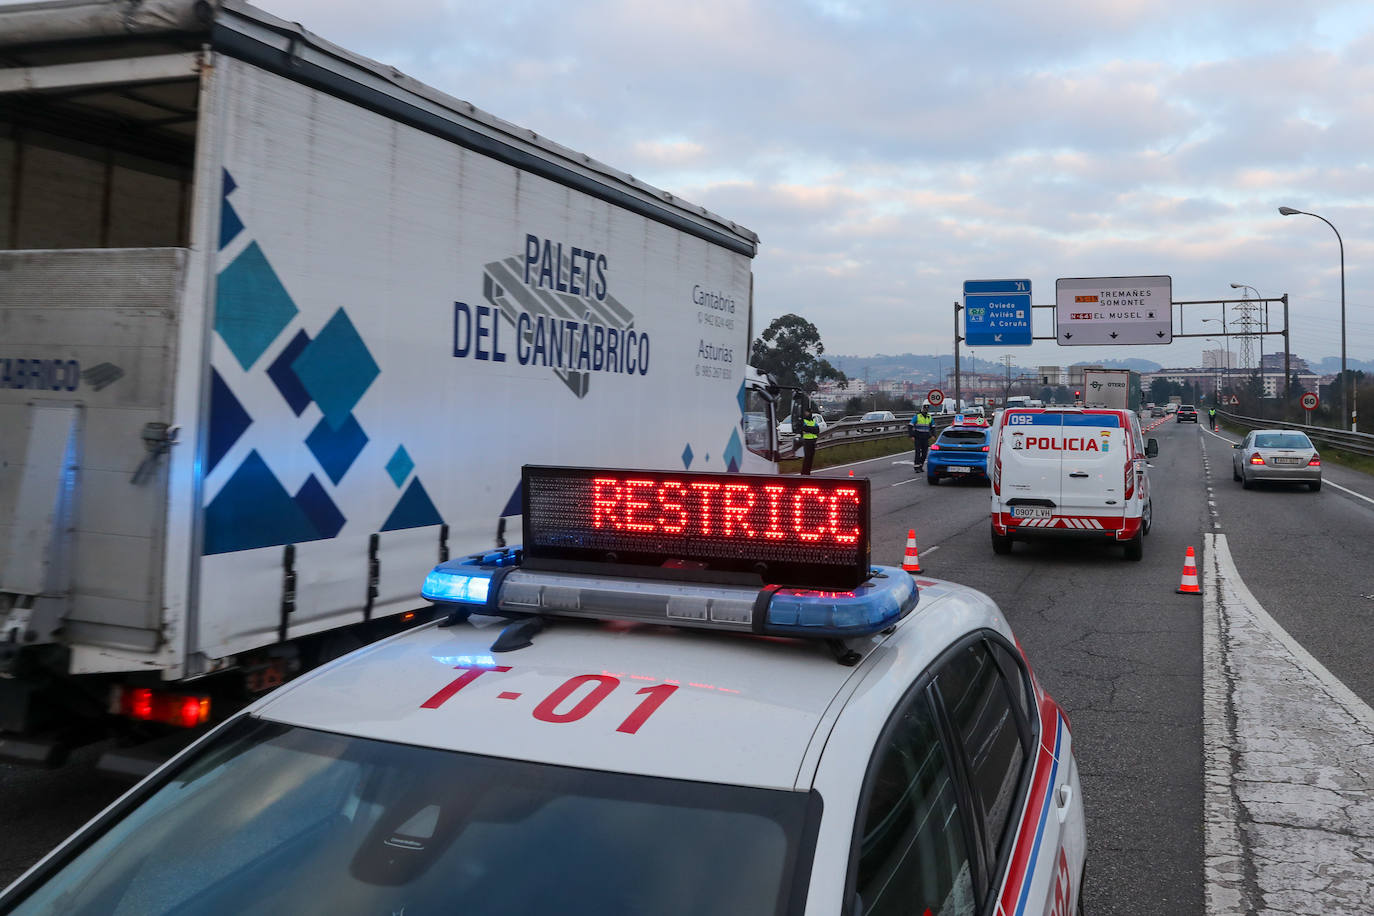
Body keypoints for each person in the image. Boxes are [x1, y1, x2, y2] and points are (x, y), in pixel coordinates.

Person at [798, 401, 820, 475]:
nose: (808, 414)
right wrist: (812, 429)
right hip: (807, 441)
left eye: (809, 412)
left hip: (813, 441)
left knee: (811, 458)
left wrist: (810, 429)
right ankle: (804, 473)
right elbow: (804, 428)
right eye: (807, 412)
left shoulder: (813, 421)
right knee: (807, 458)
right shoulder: (803, 421)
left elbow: (817, 430)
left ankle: (808, 472)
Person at [910, 404, 933, 470]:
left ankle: (921, 465)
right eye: (925, 409)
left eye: (927, 409)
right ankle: (916, 467)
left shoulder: (929, 417)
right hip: (918, 437)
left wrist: (933, 435)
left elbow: (933, 426)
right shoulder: (917, 416)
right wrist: (911, 435)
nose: (926, 410)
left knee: (924, 453)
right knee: (917, 452)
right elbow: (910, 425)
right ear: (922, 409)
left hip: (925, 438)